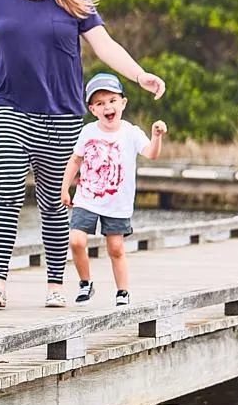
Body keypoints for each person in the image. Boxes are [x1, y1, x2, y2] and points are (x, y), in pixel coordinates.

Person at [0, 0, 165, 309]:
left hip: (62, 115)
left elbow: (104, 45)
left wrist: (140, 75)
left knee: (53, 201)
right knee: (8, 193)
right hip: (9, 109)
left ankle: (54, 284)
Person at [61, 73, 167, 306]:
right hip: (87, 197)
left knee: (116, 248)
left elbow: (151, 153)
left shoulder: (131, 132)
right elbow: (75, 159)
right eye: (100, 104)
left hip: (117, 202)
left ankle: (122, 291)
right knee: (76, 241)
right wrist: (65, 188)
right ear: (92, 110)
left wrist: (156, 136)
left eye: (112, 101)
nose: (107, 107)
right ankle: (85, 283)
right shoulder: (88, 131)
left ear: (123, 103)